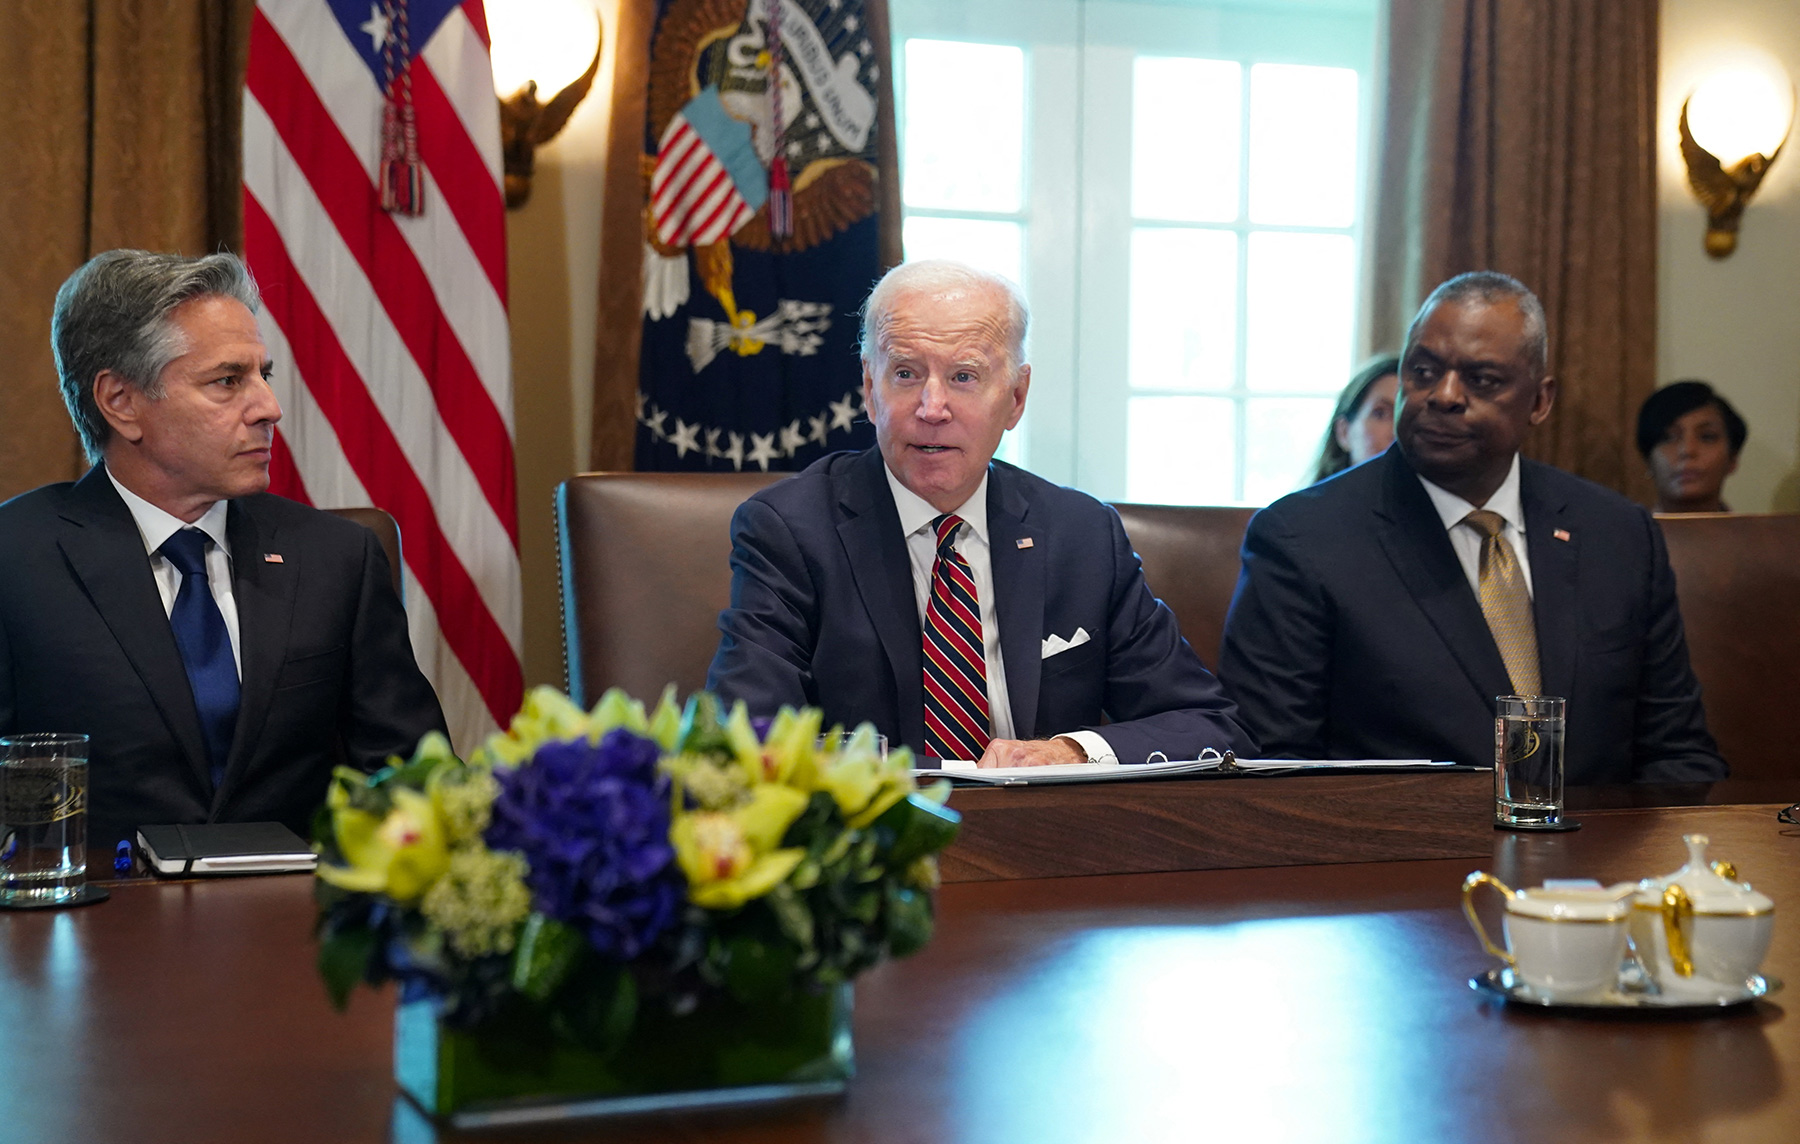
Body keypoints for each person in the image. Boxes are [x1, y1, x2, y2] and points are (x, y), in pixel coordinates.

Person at [707, 259, 1251, 767]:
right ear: (870, 390)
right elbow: (747, 739)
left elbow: (1209, 726)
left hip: (1047, 831)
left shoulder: (1082, 534)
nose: (932, 408)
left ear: (1015, 398)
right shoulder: (791, 530)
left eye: (963, 377)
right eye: (905, 374)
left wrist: (1071, 752)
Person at [0, 250, 446, 851]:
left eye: (264, 375)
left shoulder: (337, 558)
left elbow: (417, 785)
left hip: (294, 905)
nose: (269, 408)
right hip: (97, 904)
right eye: (228, 381)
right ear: (121, 402)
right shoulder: (16, 559)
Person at [1220, 271, 1724, 784]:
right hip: (1406, 835)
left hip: (1599, 835)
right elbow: (1274, 769)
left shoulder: (1617, 534)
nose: (1444, 395)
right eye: (1423, 371)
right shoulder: (1303, 539)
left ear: (1540, 401)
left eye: (1481, 379)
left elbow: (1677, 752)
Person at [1637, 380, 1747, 514]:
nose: (1687, 450)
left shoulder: (1759, 528)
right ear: (1648, 460)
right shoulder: (1625, 527)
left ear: (1733, 458)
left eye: (1707, 437)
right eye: (1668, 438)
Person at [1311, 356, 1401, 483]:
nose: (1397, 431)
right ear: (1344, 431)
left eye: (1408, 415)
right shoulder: (1311, 497)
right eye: (1381, 414)